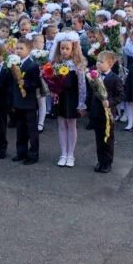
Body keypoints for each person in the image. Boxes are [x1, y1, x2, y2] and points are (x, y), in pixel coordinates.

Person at [50, 31, 87, 168]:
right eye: (62, 48)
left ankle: (70, 154)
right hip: (61, 97)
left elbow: (82, 85)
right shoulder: (56, 63)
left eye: (67, 48)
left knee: (71, 125)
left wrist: (82, 103)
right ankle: (63, 153)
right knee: (61, 124)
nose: (64, 51)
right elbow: (52, 81)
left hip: (72, 98)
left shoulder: (77, 64)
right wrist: (52, 91)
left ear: (73, 48)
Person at [90, 50, 124, 173]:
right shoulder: (94, 76)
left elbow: (121, 95)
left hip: (108, 114)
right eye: (97, 61)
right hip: (97, 112)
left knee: (108, 139)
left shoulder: (114, 78)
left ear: (110, 64)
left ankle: (107, 162)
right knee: (98, 139)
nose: (98, 64)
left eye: (101, 62)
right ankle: (100, 161)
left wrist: (109, 102)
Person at [10, 38, 41, 165]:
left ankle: (33, 154)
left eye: (21, 48)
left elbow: (36, 83)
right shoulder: (14, 64)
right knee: (20, 129)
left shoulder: (33, 65)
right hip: (18, 102)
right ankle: (21, 152)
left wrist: (25, 83)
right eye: (17, 48)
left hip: (29, 103)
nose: (18, 50)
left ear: (29, 50)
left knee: (31, 130)